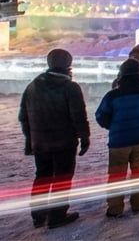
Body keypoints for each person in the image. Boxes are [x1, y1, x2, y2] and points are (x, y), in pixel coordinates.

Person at [18, 48, 89, 229]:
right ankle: (57, 216)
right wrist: (84, 137)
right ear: (68, 64)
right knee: (62, 177)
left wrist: (30, 139)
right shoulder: (70, 87)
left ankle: (38, 215)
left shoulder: (33, 85)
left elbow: (23, 116)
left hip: (40, 143)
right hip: (64, 143)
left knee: (42, 176)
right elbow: (78, 116)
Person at [96, 58, 139, 217]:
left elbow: (101, 116)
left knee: (116, 175)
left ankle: (115, 208)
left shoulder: (113, 95)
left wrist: (113, 126)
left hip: (119, 141)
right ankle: (138, 204)